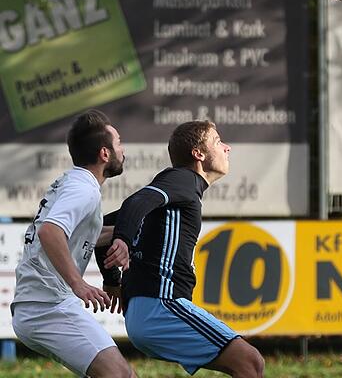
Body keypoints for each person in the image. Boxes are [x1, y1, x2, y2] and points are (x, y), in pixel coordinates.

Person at [110, 120, 264, 377]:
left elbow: (103, 227)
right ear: (198, 154)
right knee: (250, 362)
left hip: (147, 312)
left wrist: (112, 279)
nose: (227, 148)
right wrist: (123, 240)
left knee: (243, 364)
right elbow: (136, 201)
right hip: (161, 305)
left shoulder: (181, 190)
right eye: (217, 141)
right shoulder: (183, 179)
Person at [11, 109, 135, 378]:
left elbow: (82, 234)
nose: (122, 149)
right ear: (105, 154)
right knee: (120, 375)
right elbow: (50, 231)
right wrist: (78, 284)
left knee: (121, 374)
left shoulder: (73, 181)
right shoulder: (84, 189)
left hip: (39, 306)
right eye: (119, 143)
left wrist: (127, 233)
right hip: (47, 308)